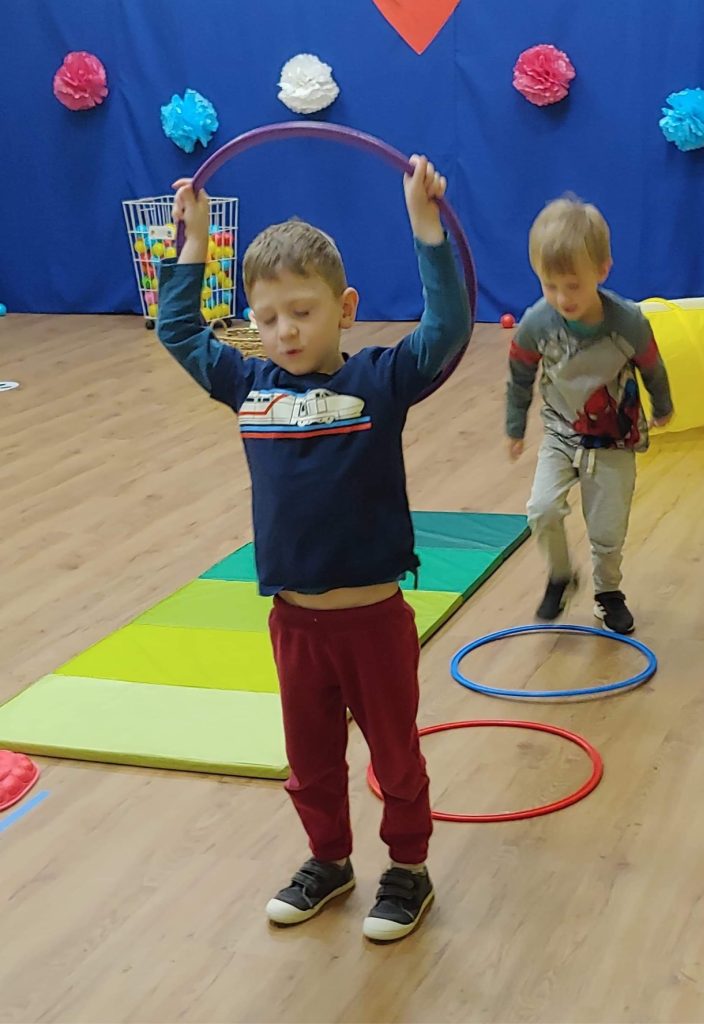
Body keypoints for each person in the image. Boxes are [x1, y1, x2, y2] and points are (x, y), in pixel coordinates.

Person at [157, 156, 470, 941]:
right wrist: (194, 244)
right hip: (295, 625)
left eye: (302, 311)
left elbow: (446, 330)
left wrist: (425, 226)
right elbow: (178, 329)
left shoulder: (379, 381)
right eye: (267, 319)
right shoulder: (248, 387)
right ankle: (329, 860)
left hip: (373, 624)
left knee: (395, 757)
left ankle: (408, 868)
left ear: (345, 309)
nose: (285, 331)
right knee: (312, 761)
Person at [505, 196, 674, 634]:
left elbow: (653, 366)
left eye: (573, 286)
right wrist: (515, 425)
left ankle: (608, 592)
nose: (562, 298)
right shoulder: (537, 323)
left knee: (607, 529)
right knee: (541, 509)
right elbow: (519, 373)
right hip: (560, 434)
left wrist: (663, 406)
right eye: (550, 286)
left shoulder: (628, 322)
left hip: (614, 438)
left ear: (602, 270)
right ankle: (561, 575)